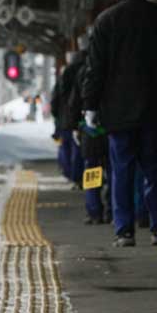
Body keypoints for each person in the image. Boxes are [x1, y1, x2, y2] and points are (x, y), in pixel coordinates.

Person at [81, 0, 157, 247]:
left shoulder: (105, 22)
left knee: (121, 171)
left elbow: (95, 69)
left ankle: (124, 230)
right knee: (154, 169)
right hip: (155, 109)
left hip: (118, 113)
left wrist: (90, 106)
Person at [52, 47, 107, 223]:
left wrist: (74, 125)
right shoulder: (112, 68)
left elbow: (73, 102)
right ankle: (114, 212)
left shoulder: (80, 73)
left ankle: (94, 211)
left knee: (91, 169)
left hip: (88, 129)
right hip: (112, 127)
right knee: (114, 171)